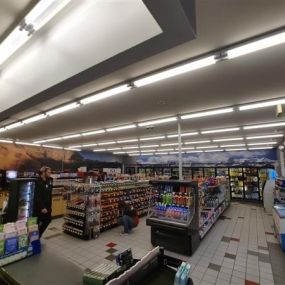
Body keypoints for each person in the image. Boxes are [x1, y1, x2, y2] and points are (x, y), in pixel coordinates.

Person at [34, 166, 53, 238]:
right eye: (48, 172)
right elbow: (37, 196)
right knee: (38, 222)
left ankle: (39, 234)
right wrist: (42, 207)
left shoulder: (49, 180)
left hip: (48, 205)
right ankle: (35, 237)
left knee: (48, 220)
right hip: (40, 207)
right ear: (43, 172)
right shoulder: (38, 181)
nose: (50, 174)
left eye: (50, 172)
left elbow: (49, 193)